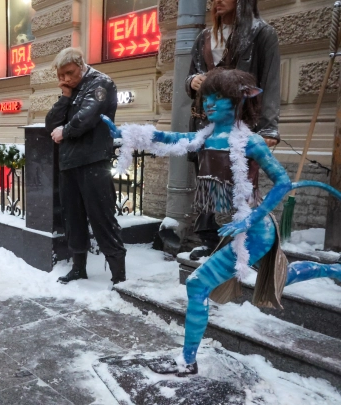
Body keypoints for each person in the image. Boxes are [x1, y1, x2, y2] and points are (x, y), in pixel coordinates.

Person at [106, 68, 341, 376]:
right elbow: (169, 138)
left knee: (197, 283)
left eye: (220, 98)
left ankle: (187, 361)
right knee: (277, 279)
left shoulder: (250, 142)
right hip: (231, 229)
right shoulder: (205, 137)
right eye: (207, 98)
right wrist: (127, 134)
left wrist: (248, 222)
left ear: (240, 101)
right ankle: (332, 269)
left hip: (255, 231)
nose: (210, 104)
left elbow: (283, 183)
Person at [185, 0, 281, 260]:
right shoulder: (205, 37)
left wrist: (269, 128)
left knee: (241, 183)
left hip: (241, 122)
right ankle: (209, 240)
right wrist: (193, 81)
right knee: (207, 181)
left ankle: (246, 243)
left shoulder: (261, 33)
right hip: (207, 122)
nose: (217, 0)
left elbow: (270, 82)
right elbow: (191, 74)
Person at [44, 47, 126, 285]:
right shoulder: (72, 89)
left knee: (102, 218)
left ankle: (119, 276)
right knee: (73, 218)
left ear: (80, 64)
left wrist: (65, 130)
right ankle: (78, 268)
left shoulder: (100, 83)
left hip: (93, 162)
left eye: (69, 73)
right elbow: (51, 122)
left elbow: (87, 118)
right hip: (69, 163)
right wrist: (65, 97)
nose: (65, 79)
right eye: (60, 76)